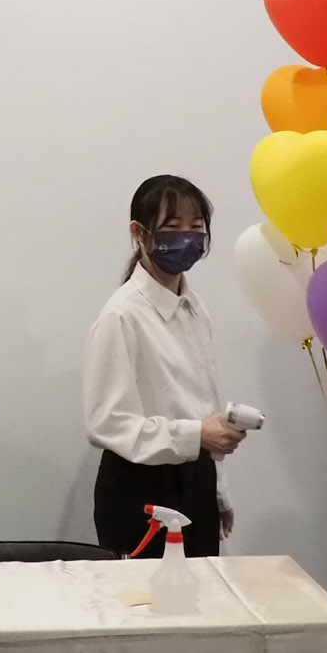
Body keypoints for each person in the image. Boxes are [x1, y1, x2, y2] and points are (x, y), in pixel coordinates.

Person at [82, 173, 241, 557]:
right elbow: (107, 423)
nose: (187, 236)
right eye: (172, 227)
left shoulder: (194, 307)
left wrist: (217, 491)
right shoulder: (122, 315)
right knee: (148, 593)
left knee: (200, 590)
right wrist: (196, 435)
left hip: (195, 478)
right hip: (141, 490)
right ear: (139, 232)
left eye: (196, 226)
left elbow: (201, 403)